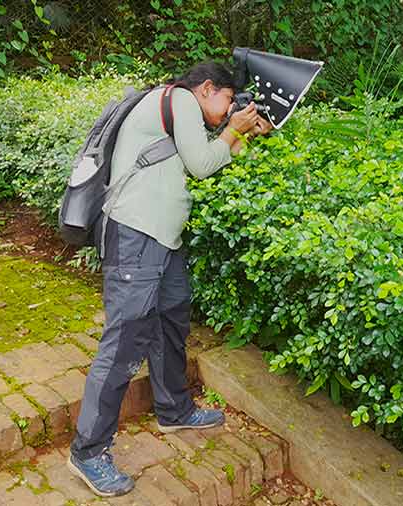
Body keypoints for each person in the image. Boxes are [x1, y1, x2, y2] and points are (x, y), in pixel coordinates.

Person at [67, 61, 272, 497]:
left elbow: (215, 158)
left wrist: (241, 132)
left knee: (171, 318)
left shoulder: (181, 111)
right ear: (207, 88)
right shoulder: (177, 98)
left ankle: (173, 409)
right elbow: (201, 164)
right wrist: (232, 129)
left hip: (163, 240)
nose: (229, 107)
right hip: (135, 236)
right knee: (125, 341)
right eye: (228, 99)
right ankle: (88, 451)